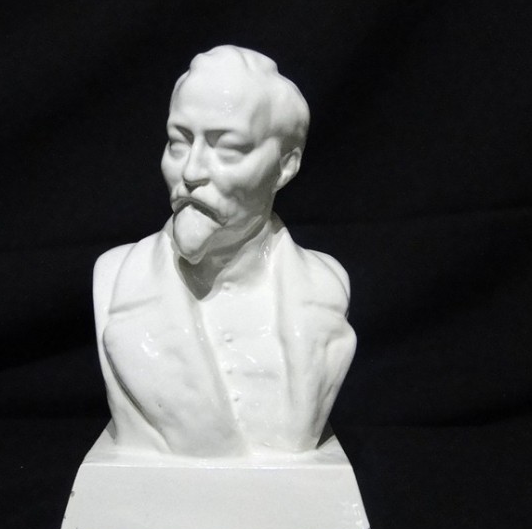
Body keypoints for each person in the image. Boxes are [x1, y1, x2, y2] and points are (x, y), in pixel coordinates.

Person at [93, 45, 356, 457]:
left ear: (286, 165)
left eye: (228, 149)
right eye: (178, 143)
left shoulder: (326, 287)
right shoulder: (116, 279)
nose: (191, 171)